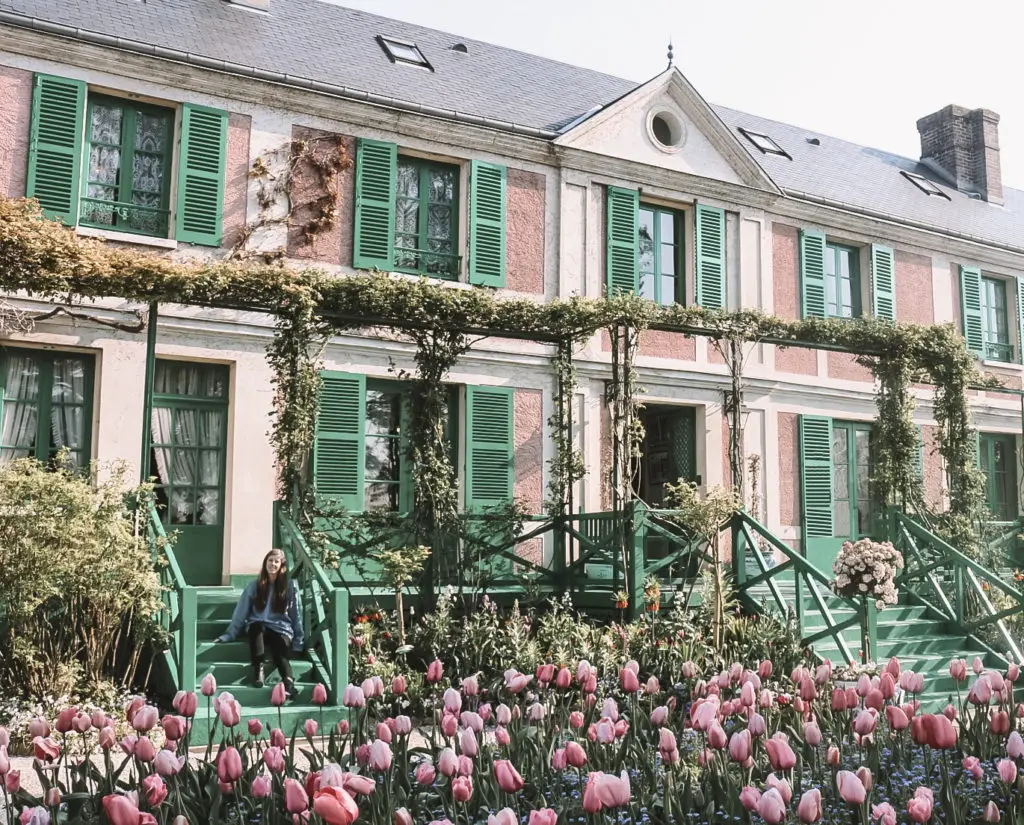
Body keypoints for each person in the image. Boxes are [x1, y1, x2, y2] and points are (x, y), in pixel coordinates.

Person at [216, 549, 304, 698]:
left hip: (281, 629)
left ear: (282, 565)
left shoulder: (289, 586)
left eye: (276, 561)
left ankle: (289, 684)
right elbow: (241, 612)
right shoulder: (254, 585)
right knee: (256, 627)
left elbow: (296, 615)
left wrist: (298, 641)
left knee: (279, 649)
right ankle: (259, 671)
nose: (273, 564)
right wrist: (229, 635)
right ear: (265, 563)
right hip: (260, 628)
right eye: (270, 561)